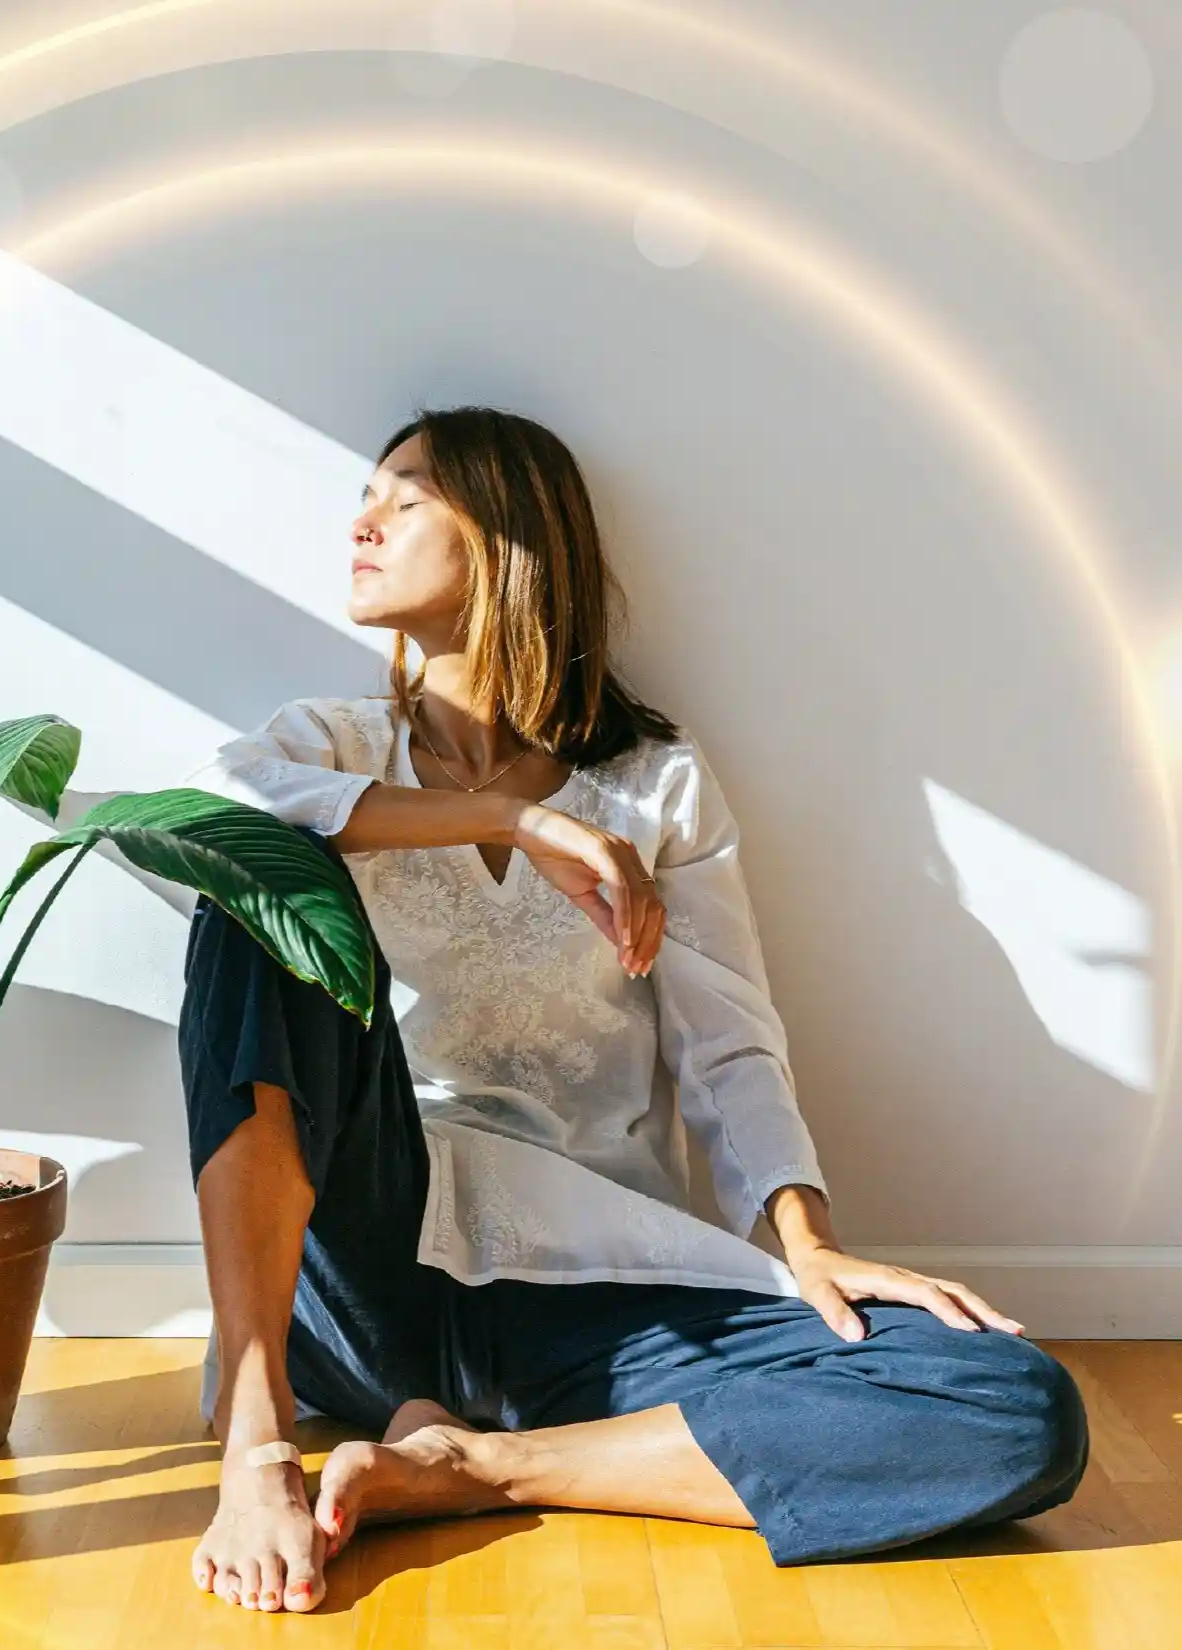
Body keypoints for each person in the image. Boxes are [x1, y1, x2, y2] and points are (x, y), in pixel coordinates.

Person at [175, 405, 1089, 1614]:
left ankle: (478, 1463)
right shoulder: (328, 746)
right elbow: (202, 816)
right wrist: (510, 820)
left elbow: (728, 1044)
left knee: (1011, 1403)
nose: (366, 520)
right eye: (366, 494)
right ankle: (257, 1449)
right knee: (254, 885)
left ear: (509, 538)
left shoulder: (656, 784)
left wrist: (806, 1242)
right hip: (361, 1272)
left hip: (582, 1283)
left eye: (408, 496)